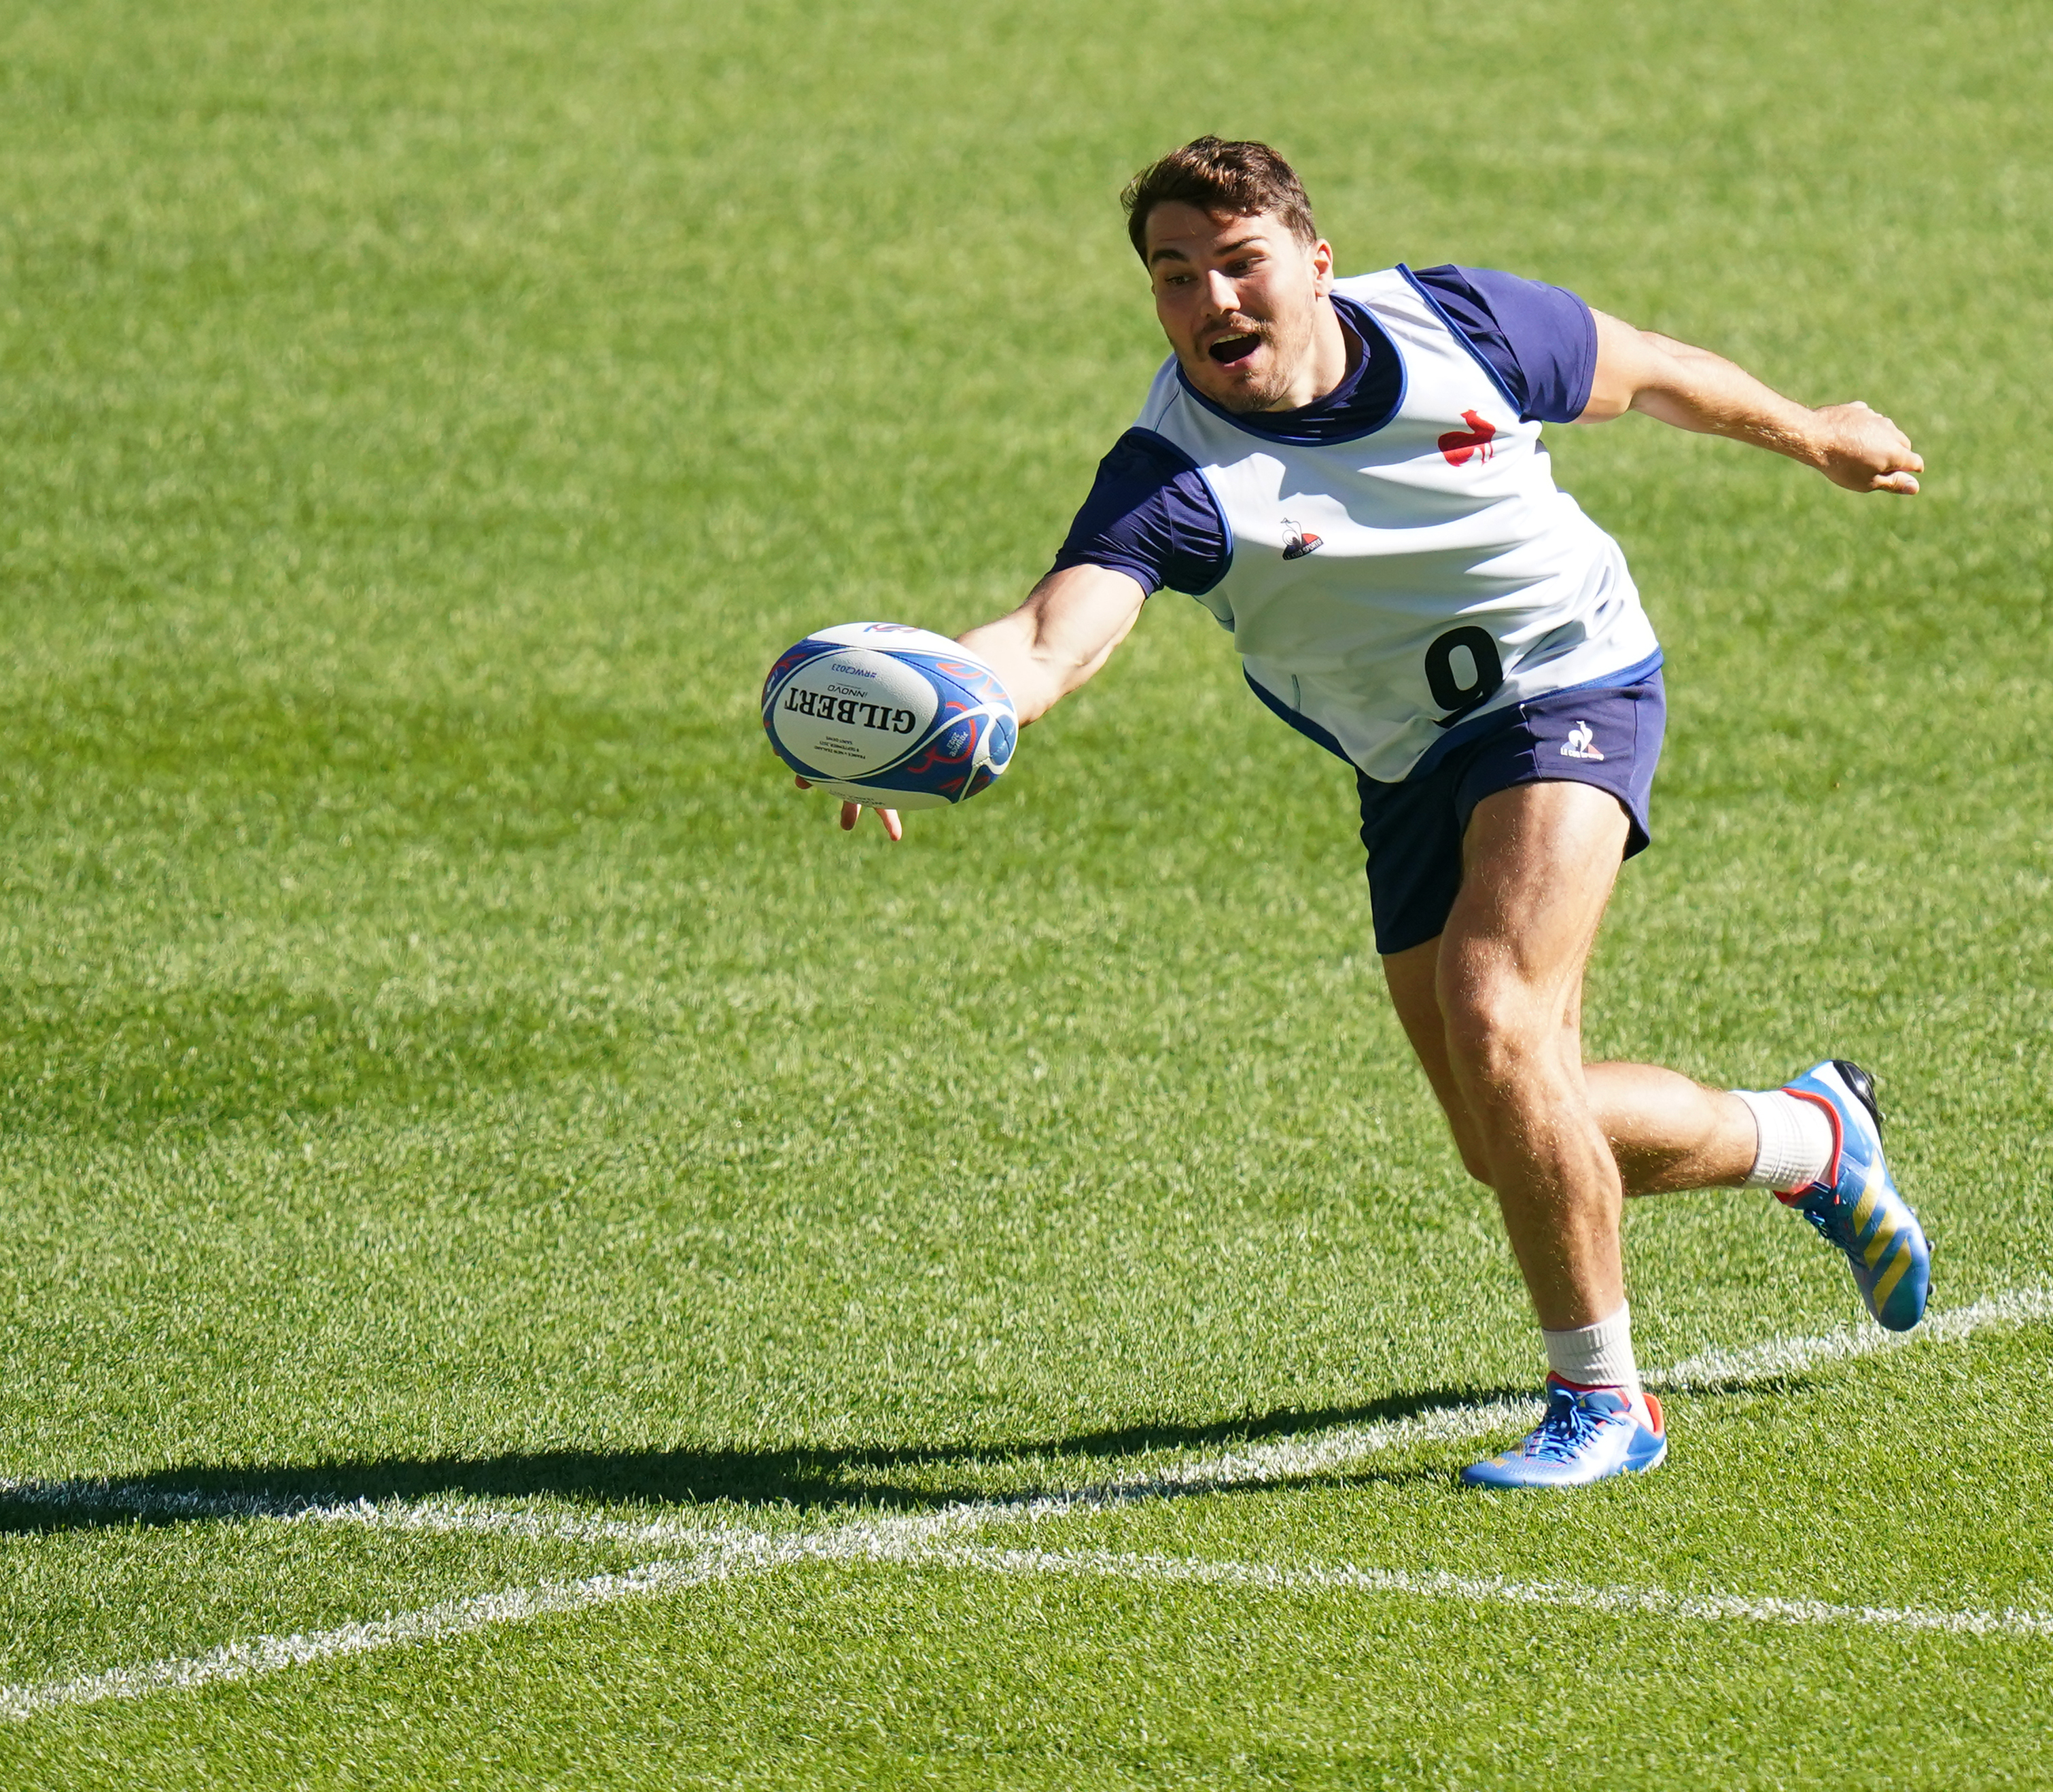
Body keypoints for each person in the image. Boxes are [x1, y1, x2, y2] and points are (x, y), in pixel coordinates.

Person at [807, 136, 1934, 1488]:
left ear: (1315, 263)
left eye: (1240, 264)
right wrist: (913, 707)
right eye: (1176, 278)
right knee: (1507, 1122)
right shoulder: (1175, 476)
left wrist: (1814, 431)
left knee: (1493, 1011)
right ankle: (1807, 1136)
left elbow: (1651, 372)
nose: (1214, 301)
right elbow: (1053, 641)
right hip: (1405, 758)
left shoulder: (1458, 325)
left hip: (1568, 678)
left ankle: (1603, 1403)